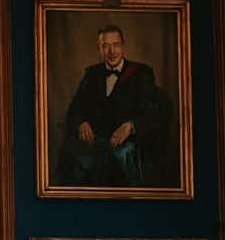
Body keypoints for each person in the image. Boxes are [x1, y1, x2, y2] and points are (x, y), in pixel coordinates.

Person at [53, 24, 167, 187]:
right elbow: (75, 107)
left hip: (127, 142)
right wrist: (81, 122)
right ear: (99, 49)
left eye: (116, 45)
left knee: (120, 161)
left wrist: (130, 126)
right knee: (72, 157)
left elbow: (152, 112)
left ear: (123, 46)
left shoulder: (142, 73)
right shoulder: (91, 74)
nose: (111, 51)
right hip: (95, 141)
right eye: (105, 46)